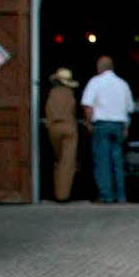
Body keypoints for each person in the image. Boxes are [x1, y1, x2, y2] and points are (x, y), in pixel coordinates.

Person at [81, 56, 134, 203]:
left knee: (103, 161)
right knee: (118, 161)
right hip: (119, 126)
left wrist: (88, 123)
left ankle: (106, 195)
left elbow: (88, 105)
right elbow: (130, 108)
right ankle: (121, 195)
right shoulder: (123, 84)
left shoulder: (95, 82)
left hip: (102, 125)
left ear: (99, 68)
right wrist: (126, 127)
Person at [45, 68, 79, 202]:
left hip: (54, 127)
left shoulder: (52, 93)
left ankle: (56, 191)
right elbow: (73, 112)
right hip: (69, 127)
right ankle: (63, 195)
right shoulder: (70, 94)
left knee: (58, 159)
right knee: (67, 162)